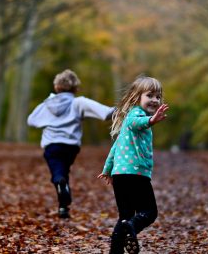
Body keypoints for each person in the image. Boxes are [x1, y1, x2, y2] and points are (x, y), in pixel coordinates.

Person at [28, 69, 114, 218]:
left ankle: (61, 189)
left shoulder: (48, 103)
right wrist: (127, 109)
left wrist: (49, 120)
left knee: (58, 172)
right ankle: (63, 208)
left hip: (52, 145)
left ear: (56, 87)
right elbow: (106, 113)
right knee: (63, 171)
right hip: (70, 146)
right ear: (75, 88)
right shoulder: (78, 102)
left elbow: (31, 120)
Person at [97, 76, 169, 254]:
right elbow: (137, 123)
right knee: (149, 212)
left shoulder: (127, 125)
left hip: (120, 175)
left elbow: (115, 148)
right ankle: (131, 229)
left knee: (125, 216)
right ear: (137, 97)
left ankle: (116, 250)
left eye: (158, 96)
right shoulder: (135, 115)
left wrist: (107, 169)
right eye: (150, 95)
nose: (154, 100)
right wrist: (151, 121)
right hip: (136, 174)